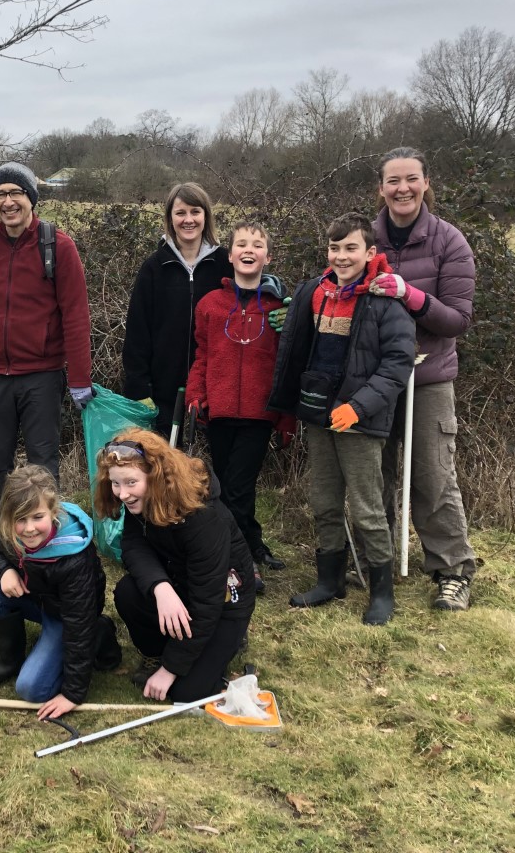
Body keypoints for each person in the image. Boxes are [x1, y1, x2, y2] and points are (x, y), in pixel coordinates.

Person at [267, 212, 415, 625]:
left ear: (370, 252)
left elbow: (397, 364)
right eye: (335, 248)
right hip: (318, 416)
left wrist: (359, 407)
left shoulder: (386, 302)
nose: (341, 256)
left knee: (367, 507)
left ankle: (381, 590)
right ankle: (329, 580)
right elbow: (299, 350)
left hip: (360, 422)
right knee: (324, 501)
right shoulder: (314, 292)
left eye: (351, 248)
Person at [0, 162, 93, 536]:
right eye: (0, 194)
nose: (8, 201)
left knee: (43, 462)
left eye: (16, 193)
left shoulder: (58, 246)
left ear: (31, 198)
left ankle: (48, 534)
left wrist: (80, 378)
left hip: (42, 376)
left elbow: (76, 317)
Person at [370, 147, 479, 611]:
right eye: (393, 180)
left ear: (426, 182)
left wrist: (409, 294)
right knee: (374, 477)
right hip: (374, 380)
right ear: (381, 188)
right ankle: (375, 562)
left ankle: (453, 571)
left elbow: (457, 320)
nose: (403, 188)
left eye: (411, 179)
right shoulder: (364, 239)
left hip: (427, 377)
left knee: (433, 476)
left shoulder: (449, 242)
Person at [95, 428, 255, 702]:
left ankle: (225, 644)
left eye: (131, 483)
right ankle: (156, 655)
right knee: (128, 592)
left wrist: (171, 670)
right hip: (178, 584)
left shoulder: (203, 519)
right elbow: (133, 546)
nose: (122, 494)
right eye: (116, 484)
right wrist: (161, 587)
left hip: (223, 603)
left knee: (186, 693)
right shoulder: (140, 501)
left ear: (156, 476)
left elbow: (207, 603)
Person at [0, 465, 122, 719]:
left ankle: (100, 632)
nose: (29, 529)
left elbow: (77, 626)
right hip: (37, 599)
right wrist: (5, 571)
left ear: (53, 511)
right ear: (8, 517)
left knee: (32, 689)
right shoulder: (9, 530)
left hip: (68, 616)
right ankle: (9, 660)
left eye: (38, 517)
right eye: (20, 520)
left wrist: (72, 693)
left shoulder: (74, 557)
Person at [185, 223, 293, 581]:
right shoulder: (210, 305)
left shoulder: (279, 308)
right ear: (229, 255)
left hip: (259, 414)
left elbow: (285, 363)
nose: (249, 250)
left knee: (238, 486)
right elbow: (202, 354)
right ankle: (251, 545)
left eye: (258, 245)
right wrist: (196, 395)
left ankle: (241, 558)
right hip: (220, 411)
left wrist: (286, 416)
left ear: (267, 256)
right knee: (229, 485)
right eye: (242, 244)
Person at [122, 182, 232, 437]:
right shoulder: (154, 268)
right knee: (165, 470)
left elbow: (254, 285)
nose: (188, 220)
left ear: (206, 215)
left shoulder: (225, 265)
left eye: (195, 211)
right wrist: (139, 389)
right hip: (162, 393)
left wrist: (274, 294)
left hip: (213, 390)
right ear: (170, 218)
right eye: (180, 213)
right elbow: (138, 333)